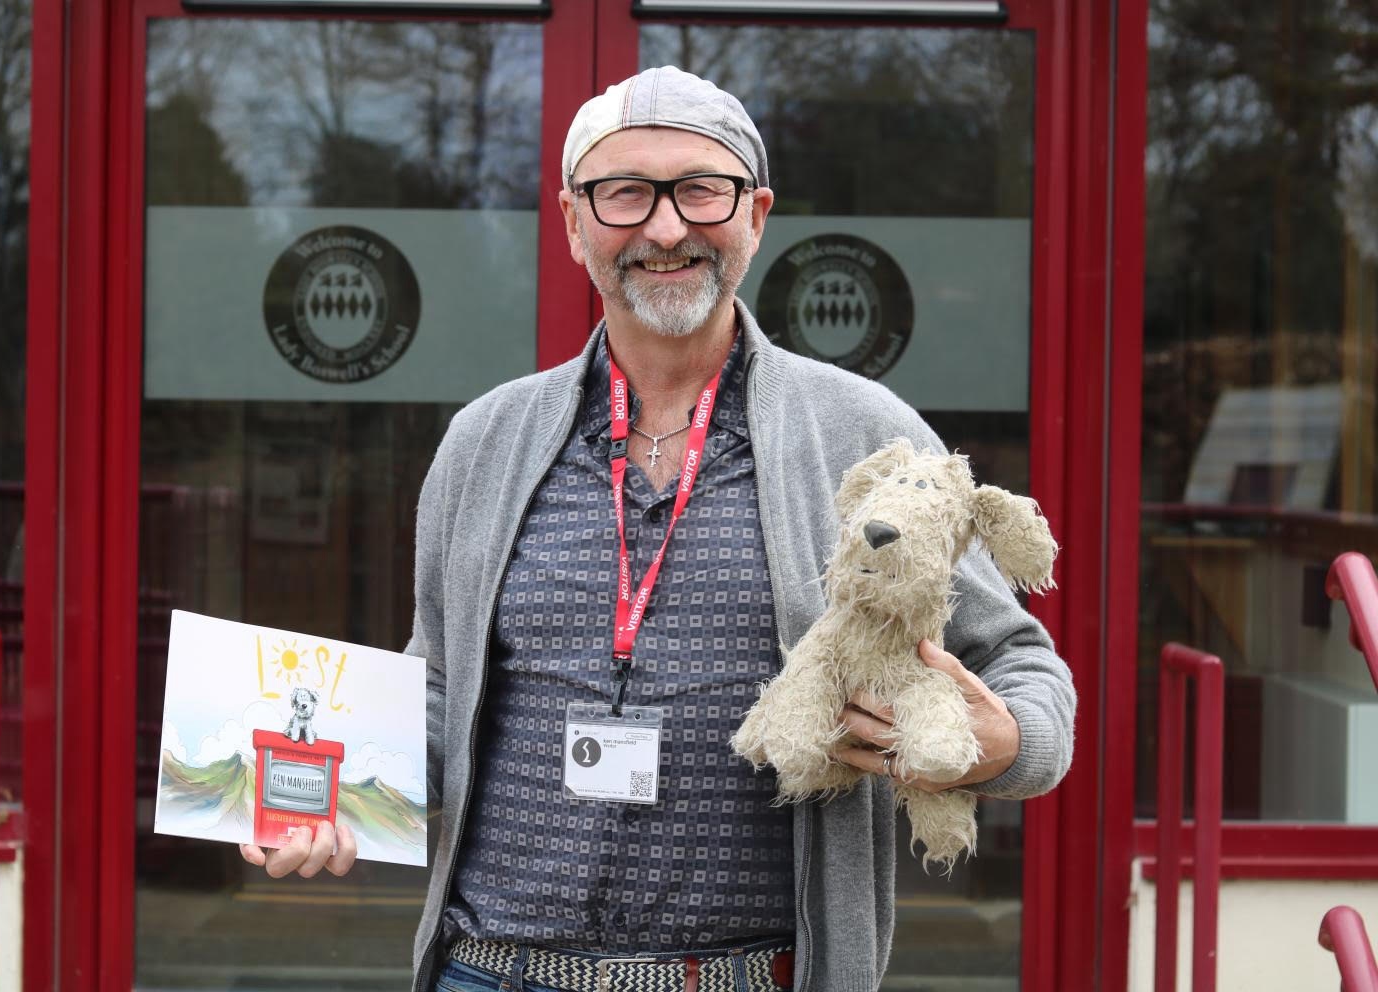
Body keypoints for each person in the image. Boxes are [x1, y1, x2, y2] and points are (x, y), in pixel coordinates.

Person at [243, 66, 1076, 992]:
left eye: (700, 190)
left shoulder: (863, 432)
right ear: (572, 222)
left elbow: (1022, 665)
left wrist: (1007, 748)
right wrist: (329, 793)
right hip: (494, 970)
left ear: (755, 214)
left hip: (747, 976)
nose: (667, 227)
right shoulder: (484, 442)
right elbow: (442, 686)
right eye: (625, 193)